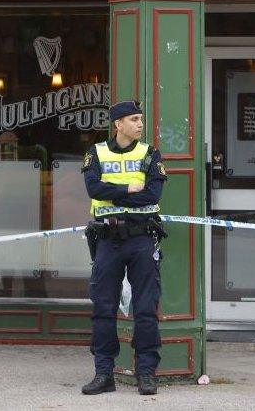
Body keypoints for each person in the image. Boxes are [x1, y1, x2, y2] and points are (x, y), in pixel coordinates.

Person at [81, 99, 168, 396]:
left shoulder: (150, 153)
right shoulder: (96, 152)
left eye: (141, 119)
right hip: (107, 239)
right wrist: (129, 189)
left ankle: (146, 373)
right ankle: (104, 373)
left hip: (142, 238)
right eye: (134, 119)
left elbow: (152, 194)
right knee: (103, 308)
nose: (140, 124)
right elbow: (94, 189)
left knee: (145, 309)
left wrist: (114, 195)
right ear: (118, 124)